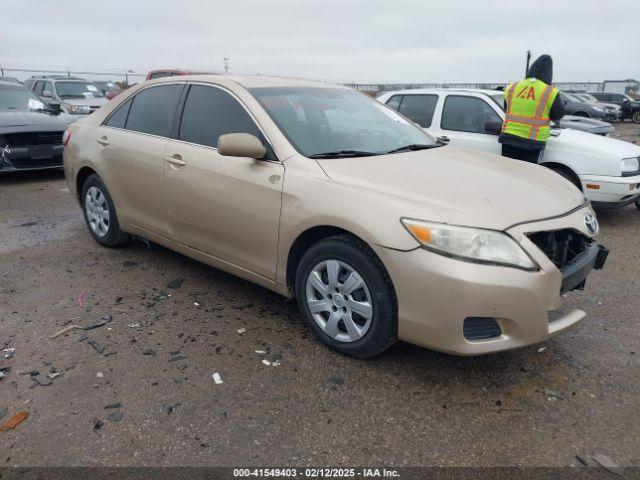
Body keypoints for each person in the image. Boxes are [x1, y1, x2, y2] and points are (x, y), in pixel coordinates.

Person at [499, 54, 565, 164]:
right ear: (549, 73)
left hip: (509, 139)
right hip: (533, 143)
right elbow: (557, 115)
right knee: (528, 177)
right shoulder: (549, 91)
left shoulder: (513, 87)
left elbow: (507, 109)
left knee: (508, 174)